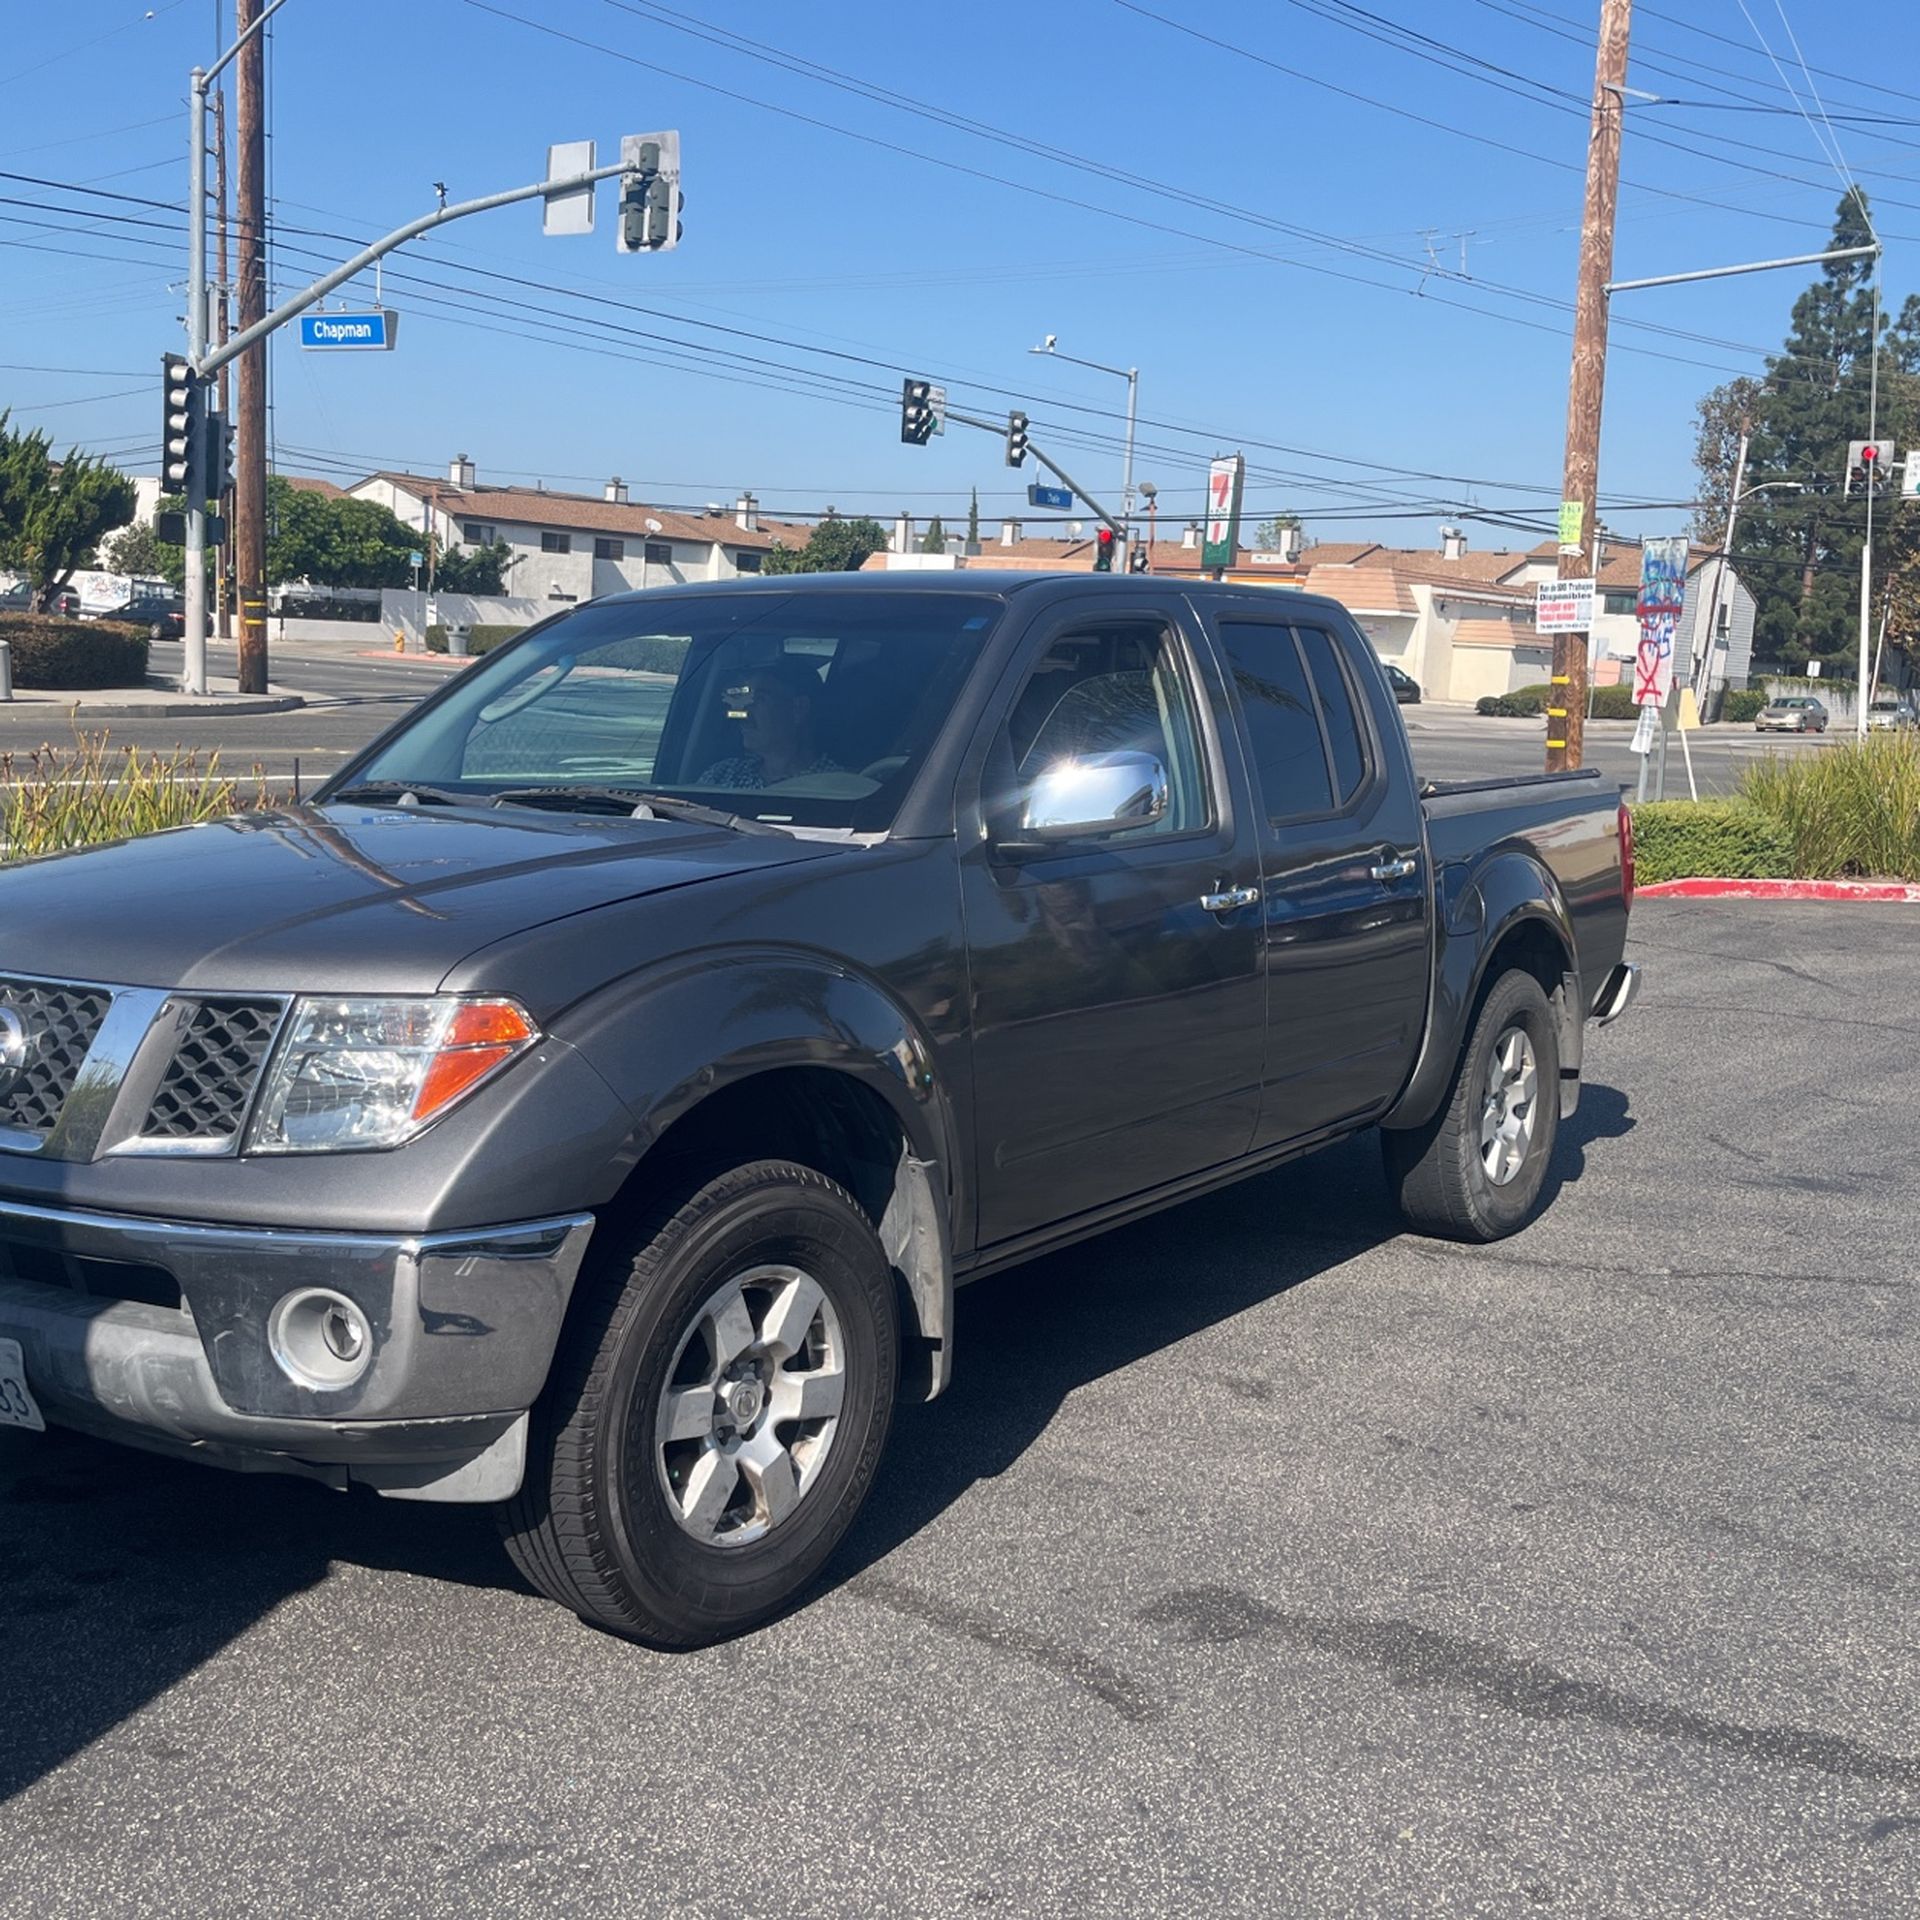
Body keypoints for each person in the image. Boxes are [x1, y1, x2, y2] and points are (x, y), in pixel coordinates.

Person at [697, 655, 843, 788]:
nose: (744, 710)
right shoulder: (721, 775)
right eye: (744, 699)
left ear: (798, 708)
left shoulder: (839, 787)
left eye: (759, 699)